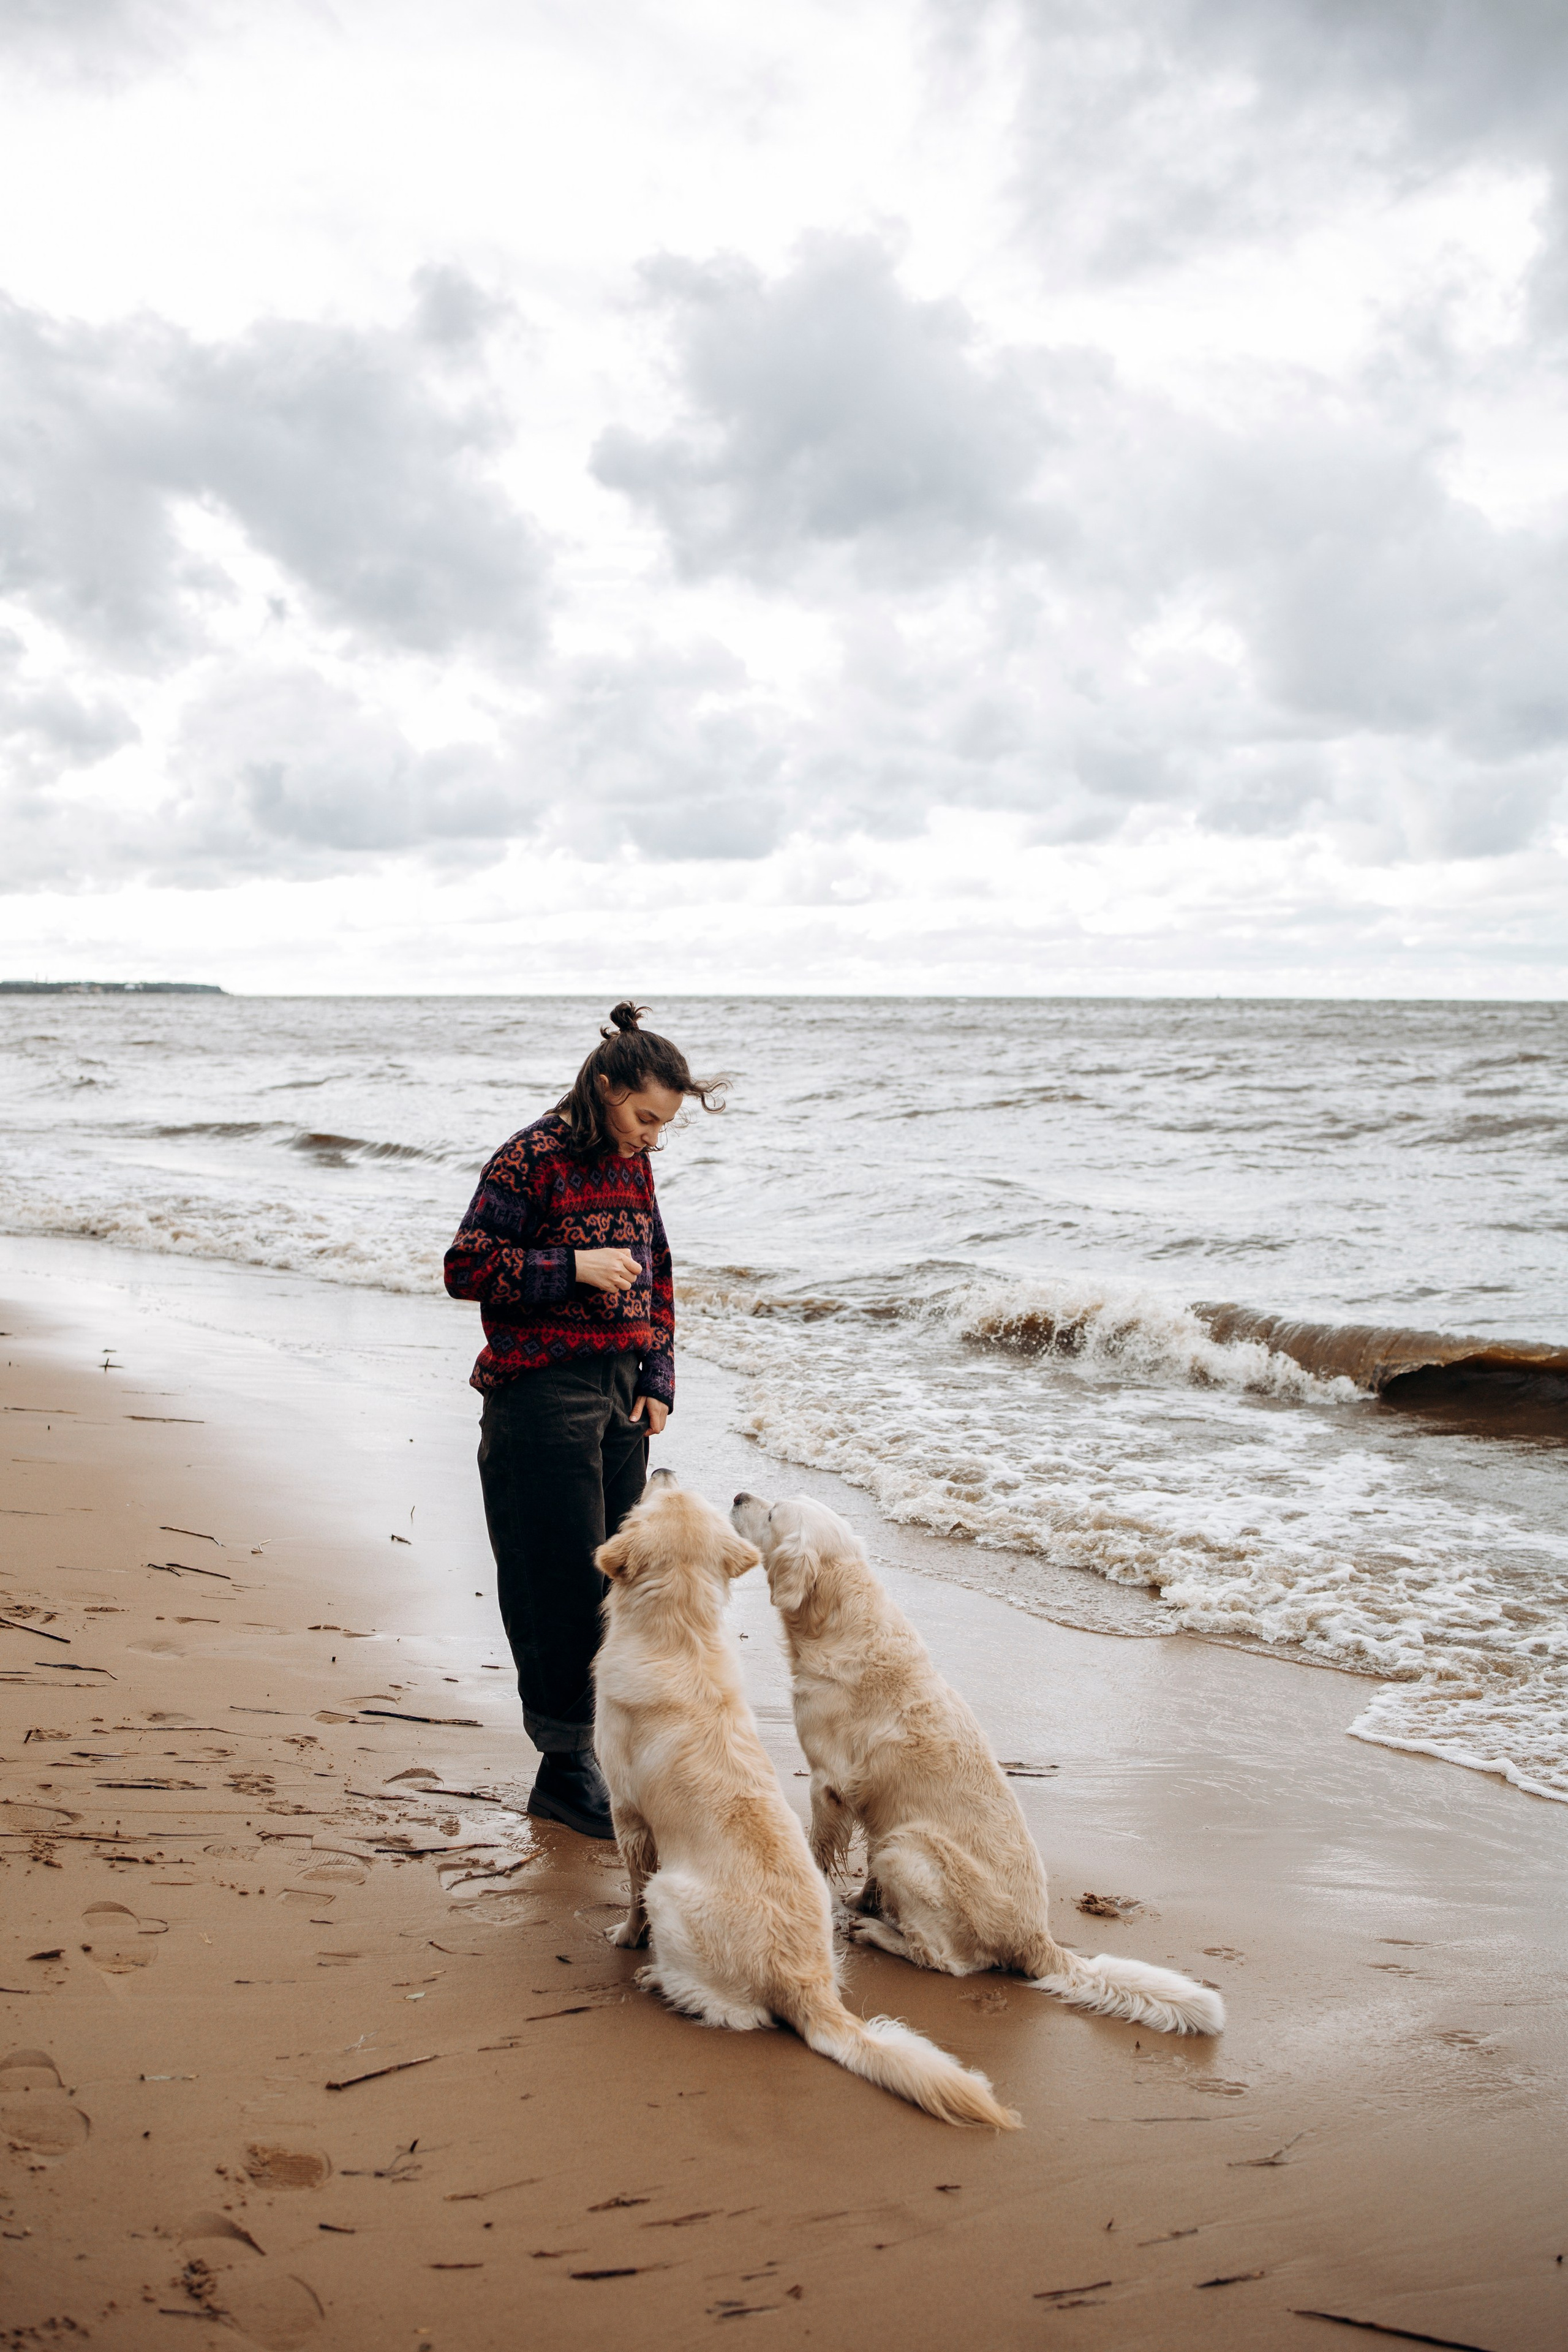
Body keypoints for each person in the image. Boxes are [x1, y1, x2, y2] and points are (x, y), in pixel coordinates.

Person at [443, 1003, 726, 1838]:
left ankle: (601, 1755)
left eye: (664, 1125)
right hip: (540, 1393)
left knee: (618, 1586)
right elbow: (466, 1268)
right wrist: (570, 1266)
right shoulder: (530, 1158)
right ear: (605, 1087)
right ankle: (564, 1770)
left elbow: (657, 1272)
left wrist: (659, 1379)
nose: (652, 1138)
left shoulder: (633, 1166)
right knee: (557, 1585)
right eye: (645, 1118)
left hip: (620, 1393)